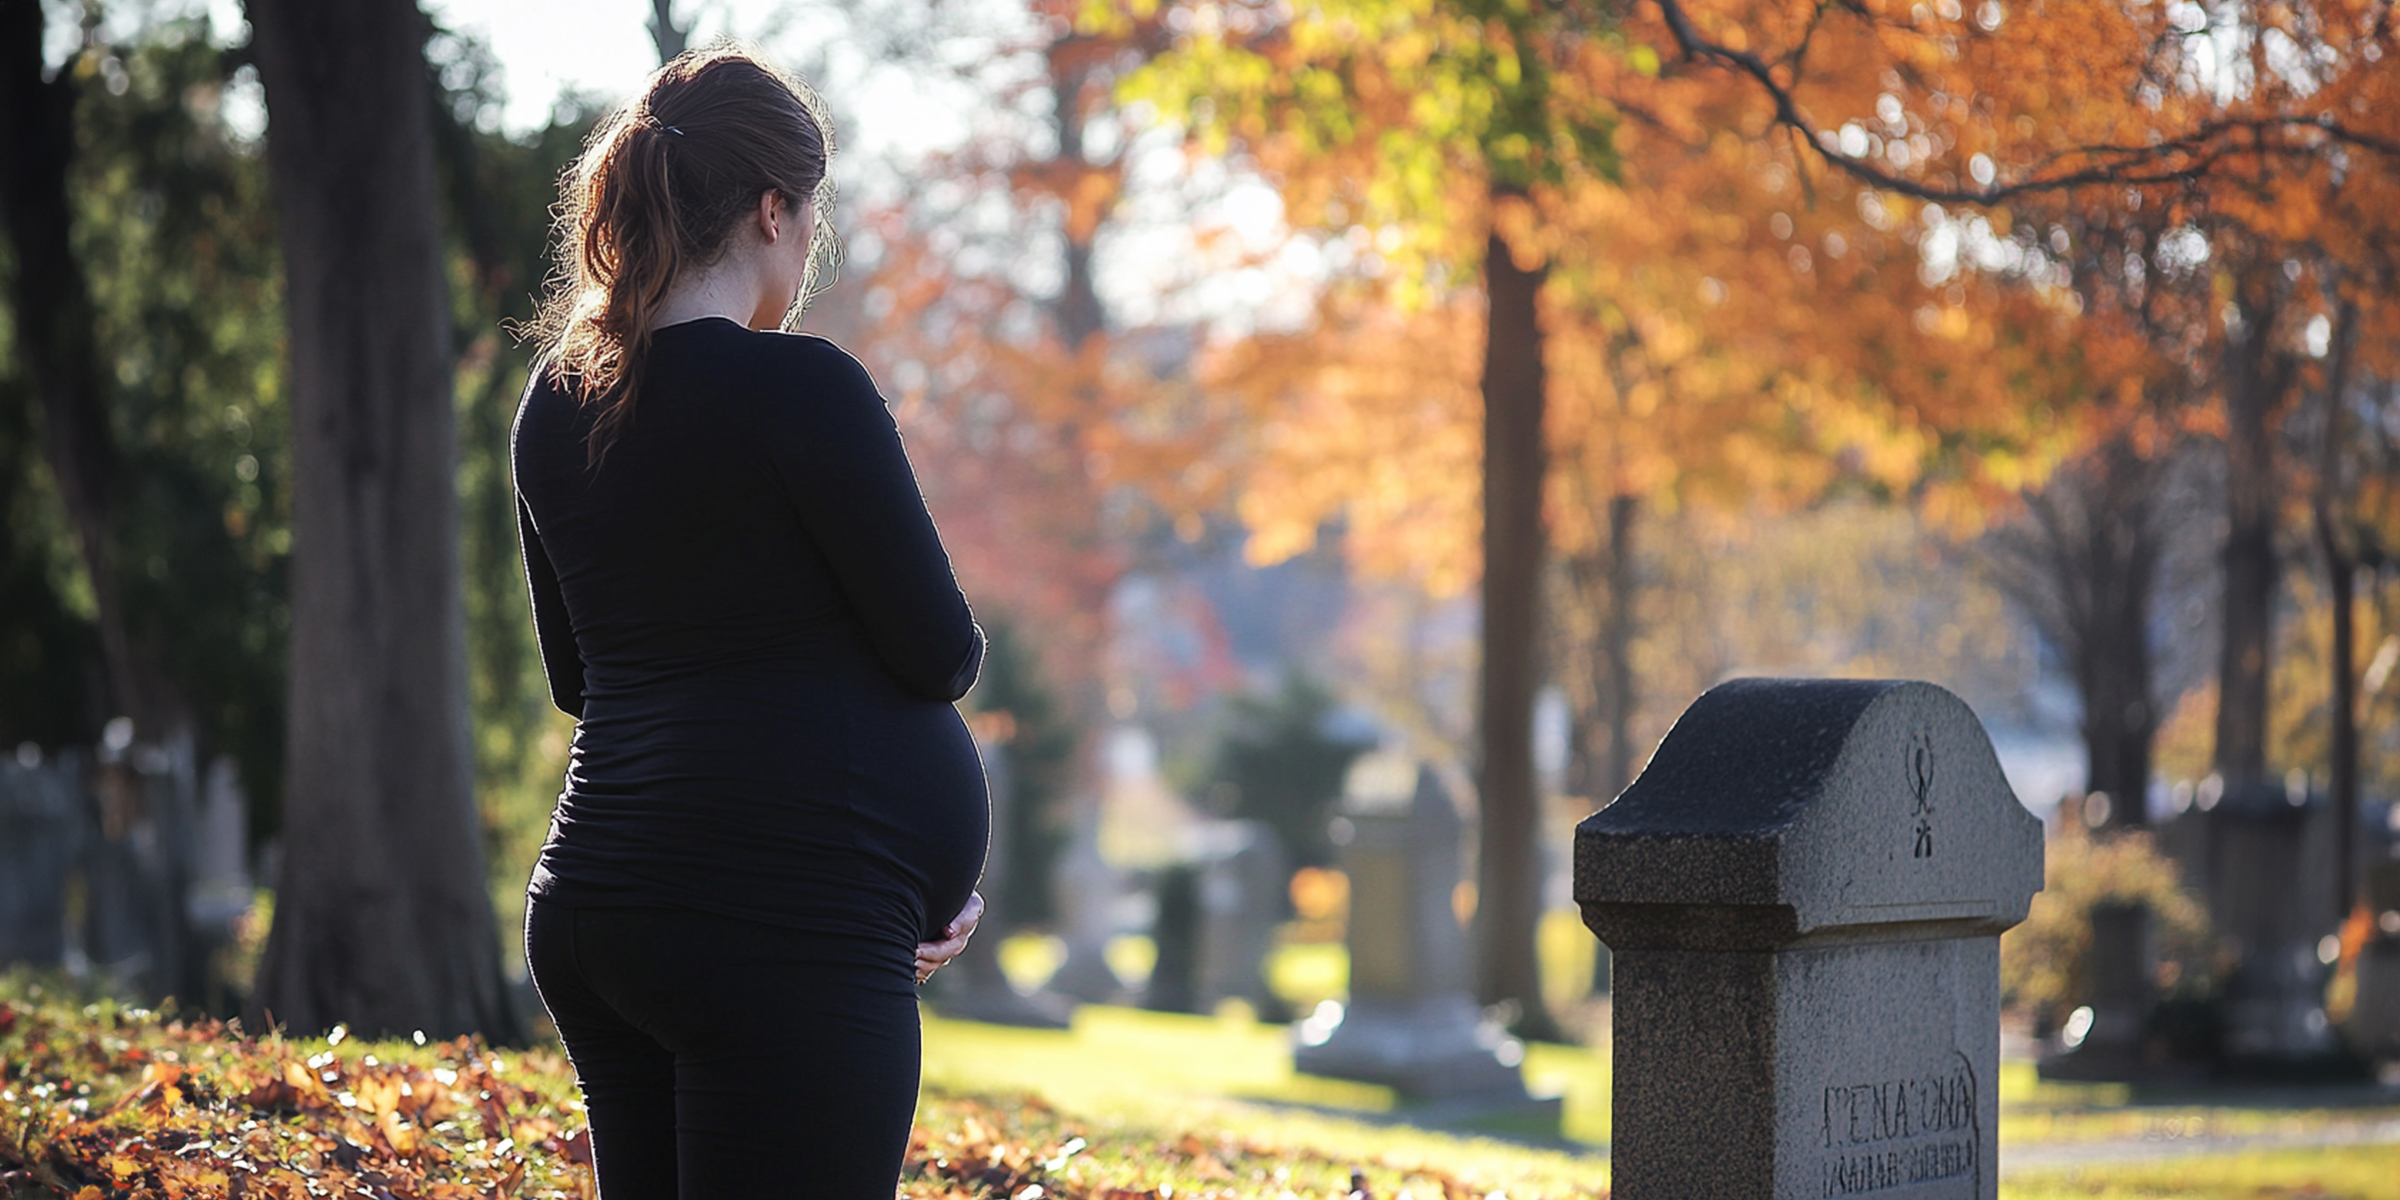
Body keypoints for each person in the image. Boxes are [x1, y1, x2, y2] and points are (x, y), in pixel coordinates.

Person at [512, 46, 988, 1198]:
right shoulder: (804, 391)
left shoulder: (559, 404)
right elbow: (941, 653)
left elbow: (580, 677)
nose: (811, 247)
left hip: (605, 907)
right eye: (811, 215)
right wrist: (876, 867)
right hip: (776, 925)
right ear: (774, 209)